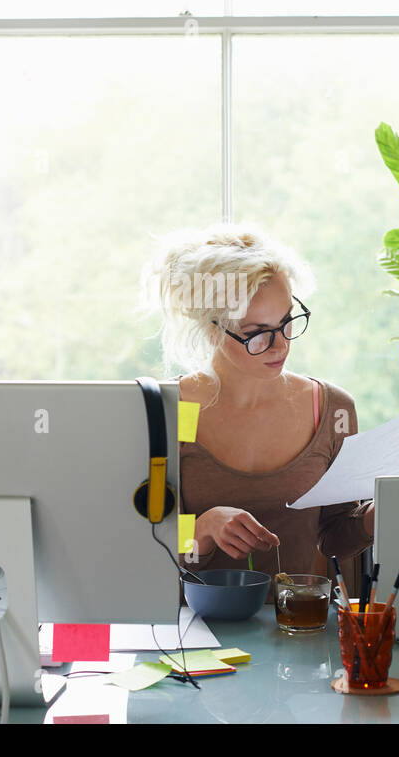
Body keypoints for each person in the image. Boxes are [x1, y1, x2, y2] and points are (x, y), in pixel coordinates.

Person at [143, 223, 373, 593]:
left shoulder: (329, 410)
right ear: (211, 328)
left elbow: (334, 538)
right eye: (257, 333)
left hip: (298, 629)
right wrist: (201, 529)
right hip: (189, 638)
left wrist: (374, 519)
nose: (280, 346)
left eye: (286, 323)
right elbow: (137, 542)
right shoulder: (171, 411)